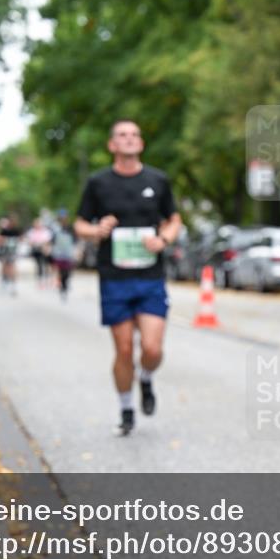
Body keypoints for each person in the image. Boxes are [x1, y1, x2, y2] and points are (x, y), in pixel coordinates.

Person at [74, 119, 182, 436]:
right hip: (114, 277)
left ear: (141, 144)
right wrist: (96, 230)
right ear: (112, 145)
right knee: (123, 351)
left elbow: (174, 220)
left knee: (151, 349)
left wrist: (163, 240)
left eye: (135, 134)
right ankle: (126, 408)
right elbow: (80, 224)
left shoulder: (158, 181)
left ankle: (146, 380)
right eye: (122, 135)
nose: (129, 139)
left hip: (150, 276)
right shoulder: (98, 183)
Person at [51, 210, 77, 301]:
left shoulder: (70, 228)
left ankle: (65, 285)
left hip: (68, 253)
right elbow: (53, 240)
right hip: (59, 253)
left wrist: (77, 250)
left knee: (67, 271)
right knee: (60, 271)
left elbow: (74, 239)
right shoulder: (55, 228)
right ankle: (62, 287)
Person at [0, 215, 23, 296]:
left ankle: (13, 283)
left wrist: (16, 241)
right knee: (5, 266)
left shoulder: (17, 230)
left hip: (13, 251)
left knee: (12, 266)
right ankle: (5, 279)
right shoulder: (4, 230)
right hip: (5, 251)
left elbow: (21, 239)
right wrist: (5, 241)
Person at [27, 217, 53, 288]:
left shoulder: (45, 231)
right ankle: (40, 281)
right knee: (39, 265)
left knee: (46, 265)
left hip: (44, 250)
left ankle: (47, 279)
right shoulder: (32, 231)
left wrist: (46, 247)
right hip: (36, 250)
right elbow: (30, 241)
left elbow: (48, 241)